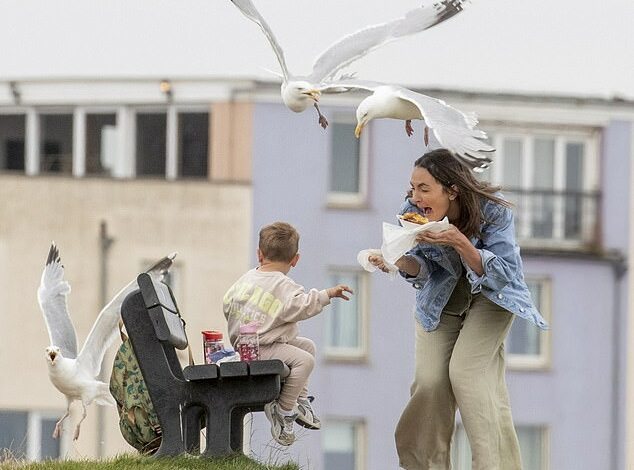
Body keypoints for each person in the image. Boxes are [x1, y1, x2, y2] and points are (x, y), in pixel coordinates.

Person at [369, 149, 548, 470]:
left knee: (466, 374)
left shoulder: (493, 211)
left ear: (451, 190)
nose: (416, 196)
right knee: (430, 381)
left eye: (425, 188)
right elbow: (422, 268)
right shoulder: (412, 212)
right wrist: (397, 261)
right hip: (442, 298)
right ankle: (424, 465)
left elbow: (505, 272)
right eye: (413, 187)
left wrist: (459, 242)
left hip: (493, 297)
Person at [223, 221, 353, 446]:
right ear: (295, 259)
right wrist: (328, 294)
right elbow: (303, 306)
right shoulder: (284, 286)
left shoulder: (244, 281)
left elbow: (226, 305)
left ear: (259, 254)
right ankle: (282, 411)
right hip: (262, 348)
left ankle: (300, 400)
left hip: (245, 345)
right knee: (306, 360)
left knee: (307, 346)